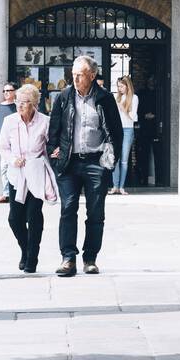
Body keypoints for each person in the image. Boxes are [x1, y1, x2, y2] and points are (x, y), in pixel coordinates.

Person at [48, 55, 124, 276]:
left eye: (79, 75)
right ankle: (68, 258)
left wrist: (108, 162)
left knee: (96, 212)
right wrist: (55, 154)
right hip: (69, 163)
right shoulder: (63, 97)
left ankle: (90, 258)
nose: (75, 78)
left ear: (92, 75)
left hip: (96, 162)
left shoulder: (105, 98)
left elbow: (116, 133)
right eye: (73, 74)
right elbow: (54, 131)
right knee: (68, 208)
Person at [0, 84, 58, 274]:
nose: (19, 106)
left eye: (24, 102)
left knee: (33, 215)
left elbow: (51, 145)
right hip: (16, 173)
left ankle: (32, 257)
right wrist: (12, 160)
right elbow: (3, 147)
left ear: (34, 104)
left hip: (36, 172)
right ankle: (25, 249)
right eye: (17, 101)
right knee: (15, 218)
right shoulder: (9, 121)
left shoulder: (44, 121)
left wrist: (55, 153)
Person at [109, 76, 138, 195]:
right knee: (115, 159)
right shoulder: (117, 98)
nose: (119, 89)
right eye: (118, 86)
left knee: (124, 160)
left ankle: (121, 187)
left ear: (127, 86)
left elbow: (133, 117)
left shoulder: (134, 98)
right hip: (116, 130)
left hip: (128, 130)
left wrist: (123, 108)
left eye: (121, 86)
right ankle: (115, 186)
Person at [0, 82, 17, 203]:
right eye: (4, 91)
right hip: (3, 141)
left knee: (14, 167)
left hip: (15, 141)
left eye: (9, 90)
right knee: (3, 167)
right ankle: (6, 193)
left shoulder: (17, 106)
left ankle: (14, 192)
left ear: (14, 92)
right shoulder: (0, 106)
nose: (6, 93)